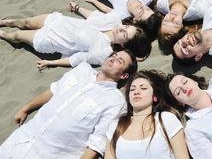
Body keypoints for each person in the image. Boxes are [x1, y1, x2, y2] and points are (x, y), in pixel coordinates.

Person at [0, 50, 138, 158]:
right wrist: (26, 108)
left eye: (120, 61)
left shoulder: (114, 102)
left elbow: (96, 145)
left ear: (124, 76)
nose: (113, 58)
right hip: (23, 138)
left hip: (50, 154)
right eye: (114, 55)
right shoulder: (82, 69)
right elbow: (53, 91)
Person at [0, 9, 151, 69]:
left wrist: (50, 62)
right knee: (26, 22)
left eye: (124, 34)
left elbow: (75, 59)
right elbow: (92, 16)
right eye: (126, 27)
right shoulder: (114, 20)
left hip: (50, 39)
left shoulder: (102, 52)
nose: (121, 28)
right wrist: (78, 8)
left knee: (17, 36)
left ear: (124, 45)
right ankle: (7, 22)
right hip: (57, 21)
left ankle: (4, 35)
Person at [104, 70, 189, 159]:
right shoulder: (115, 126)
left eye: (143, 88)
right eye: (132, 89)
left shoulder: (166, 119)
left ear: (155, 97)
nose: (136, 92)